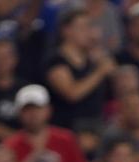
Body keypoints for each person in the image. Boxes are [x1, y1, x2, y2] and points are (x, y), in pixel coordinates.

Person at [45, 6, 116, 134]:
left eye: (89, 27)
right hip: (70, 127)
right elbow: (72, 93)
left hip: (97, 123)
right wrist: (100, 72)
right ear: (66, 31)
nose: (89, 32)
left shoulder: (93, 60)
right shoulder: (56, 62)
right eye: (83, 28)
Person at [2, 85, 88, 162]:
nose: (33, 114)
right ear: (19, 113)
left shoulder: (66, 139)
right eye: (27, 110)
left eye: (37, 108)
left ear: (48, 110)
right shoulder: (10, 146)